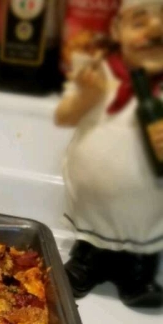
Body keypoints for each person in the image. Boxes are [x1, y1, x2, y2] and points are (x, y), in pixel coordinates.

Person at [55, 0, 163, 308]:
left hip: (147, 203)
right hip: (95, 202)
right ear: (117, 29)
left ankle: (137, 275)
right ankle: (86, 264)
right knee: (93, 239)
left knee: (142, 239)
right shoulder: (96, 74)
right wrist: (84, 97)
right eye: (140, 23)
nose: (155, 31)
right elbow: (65, 116)